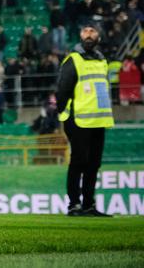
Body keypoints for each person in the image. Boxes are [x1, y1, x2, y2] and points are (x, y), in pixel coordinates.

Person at [56, 23, 114, 217]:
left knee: (93, 164)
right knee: (79, 161)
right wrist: (64, 114)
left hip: (99, 120)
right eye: (85, 31)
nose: (88, 35)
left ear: (99, 36)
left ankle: (89, 204)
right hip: (78, 119)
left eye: (92, 31)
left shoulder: (102, 61)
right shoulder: (73, 59)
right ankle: (74, 204)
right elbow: (62, 90)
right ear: (80, 35)